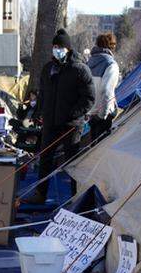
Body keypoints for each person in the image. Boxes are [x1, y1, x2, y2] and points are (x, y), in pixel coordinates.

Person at [24, 28, 94, 204]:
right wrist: (39, 112)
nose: (57, 49)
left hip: (71, 125)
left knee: (72, 162)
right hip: (50, 122)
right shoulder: (48, 69)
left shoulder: (80, 70)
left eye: (60, 46)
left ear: (68, 49)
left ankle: (75, 197)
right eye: (54, 46)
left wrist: (73, 115)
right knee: (45, 158)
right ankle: (41, 193)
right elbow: (43, 94)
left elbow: (89, 98)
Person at [86, 32, 120, 143]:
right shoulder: (111, 65)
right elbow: (107, 91)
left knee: (92, 149)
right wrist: (102, 115)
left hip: (91, 113)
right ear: (112, 46)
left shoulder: (88, 63)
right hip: (102, 115)